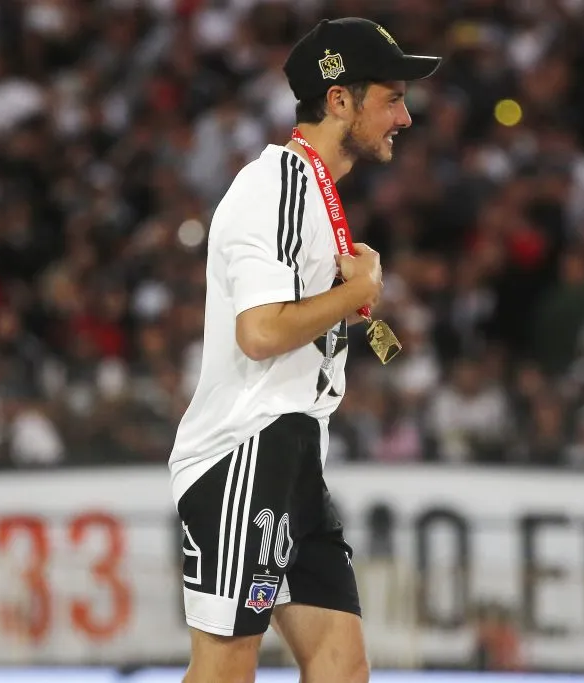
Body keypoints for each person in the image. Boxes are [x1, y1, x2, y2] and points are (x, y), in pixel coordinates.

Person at [167, 17, 440, 683]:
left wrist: (379, 327)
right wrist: (364, 288)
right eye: (392, 97)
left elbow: (314, 328)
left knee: (340, 664)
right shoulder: (279, 186)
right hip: (248, 449)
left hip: (294, 455)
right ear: (339, 99)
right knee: (226, 668)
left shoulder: (314, 197)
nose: (404, 117)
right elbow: (260, 333)